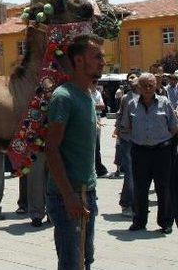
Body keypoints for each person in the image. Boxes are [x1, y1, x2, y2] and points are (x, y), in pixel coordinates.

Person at [45, 34, 105, 269]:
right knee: (72, 263)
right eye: (97, 56)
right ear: (79, 61)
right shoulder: (64, 97)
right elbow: (51, 150)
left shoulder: (88, 95)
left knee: (85, 260)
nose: (102, 61)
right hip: (68, 195)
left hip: (86, 191)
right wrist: (68, 196)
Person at [120, 73, 178, 234]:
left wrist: (165, 142)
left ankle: (166, 222)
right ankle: (139, 221)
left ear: (155, 86)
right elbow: (125, 127)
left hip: (162, 151)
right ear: (138, 87)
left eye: (150, 85)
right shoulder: (131, 104)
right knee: (140, 187)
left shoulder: (164, 103)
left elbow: (174, 127)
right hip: (140, 151)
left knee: (163, 187)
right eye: (144, 85)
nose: (147, 88)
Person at [114, 77, 139, 217]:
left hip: (140, 140)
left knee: (137, 173)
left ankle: (130, 202)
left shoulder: (146, 96)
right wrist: (117, 131)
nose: (132, 83)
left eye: (135, 80)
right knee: (129, 172)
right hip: (127, 138)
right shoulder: (125, 97)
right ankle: (127, 205)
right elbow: (120, 114)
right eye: (130, 81)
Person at [90, 81, 109, 177]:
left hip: (98, 118)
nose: (95, 84)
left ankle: (98, 168)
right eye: (94, 82)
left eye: (96, 82)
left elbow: (102, 106)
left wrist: (91, 106)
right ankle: (97, 168)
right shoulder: (86, 92)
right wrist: (94, 106)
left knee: (97, 146)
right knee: (93, 146)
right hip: (90, 119)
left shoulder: (97, 93)